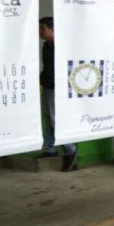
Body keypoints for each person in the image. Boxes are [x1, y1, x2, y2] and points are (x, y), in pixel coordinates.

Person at [37, 17, 77, 172]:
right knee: (48, 119)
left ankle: (70, 150)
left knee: (56, 120)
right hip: (47, 87)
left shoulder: (61, 46)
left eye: (43, 28)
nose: (40, 31)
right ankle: (50, 149)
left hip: (57, 89)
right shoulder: (46, 45)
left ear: (52, 29)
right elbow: (47, 67)